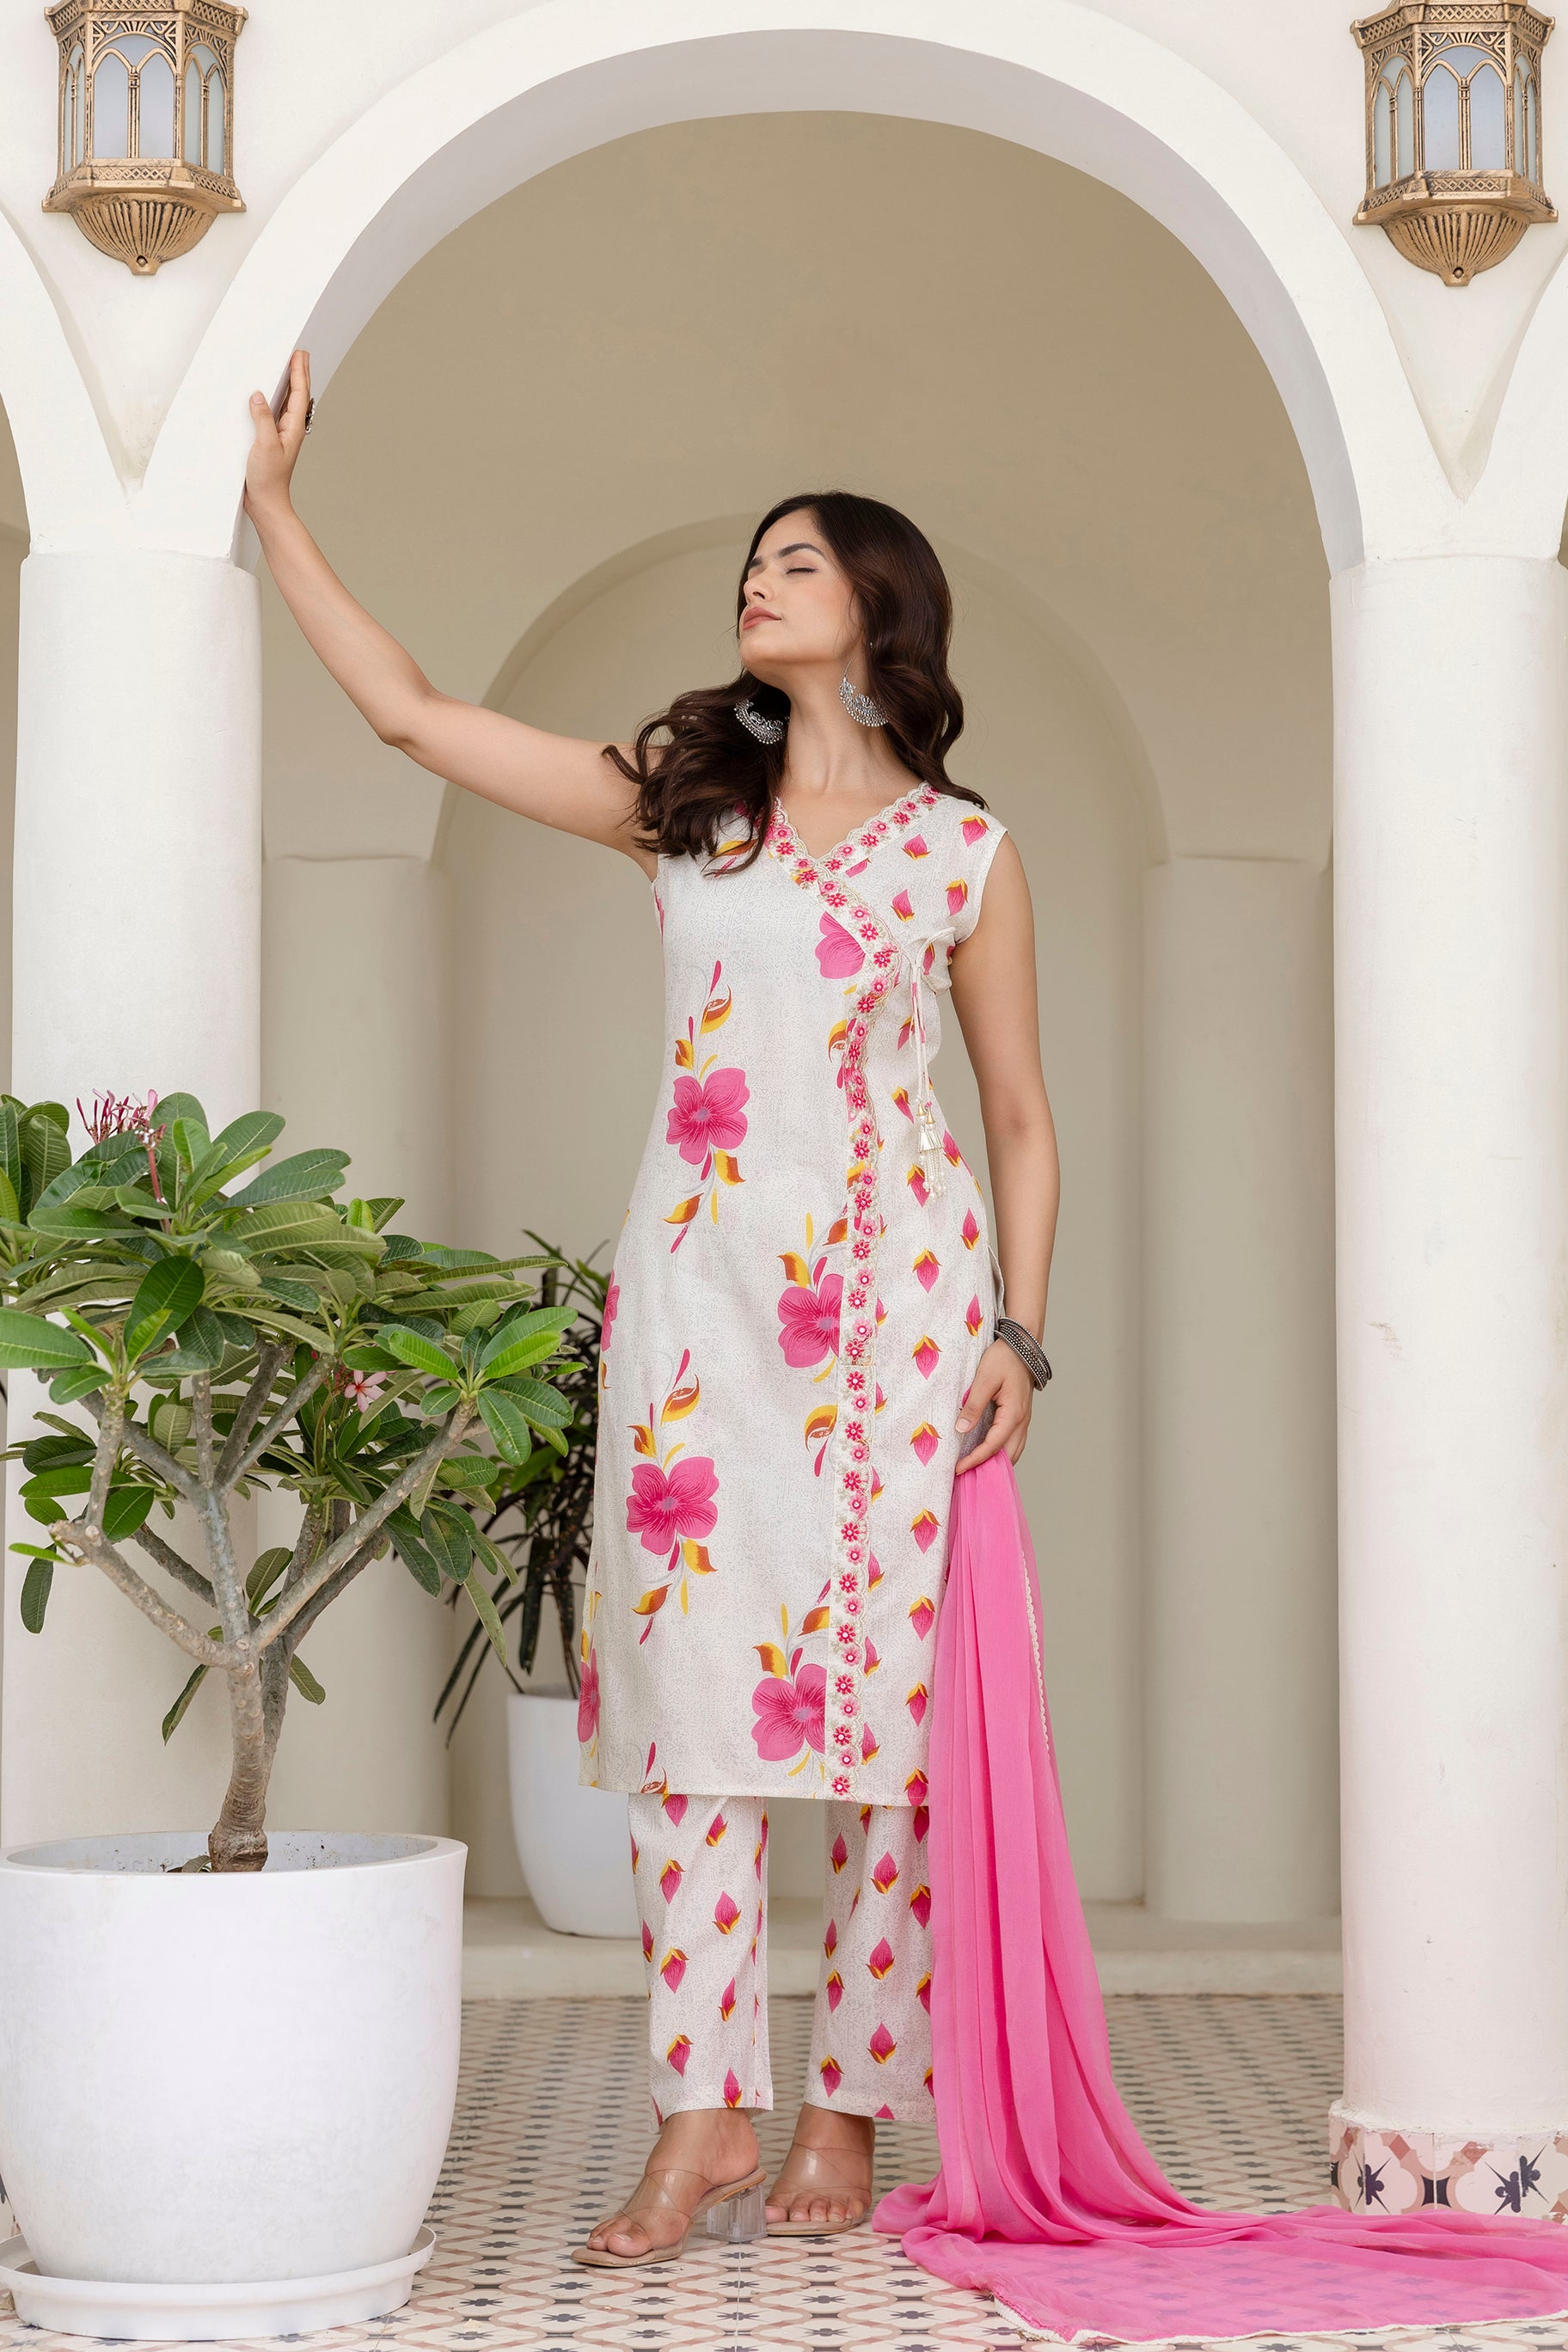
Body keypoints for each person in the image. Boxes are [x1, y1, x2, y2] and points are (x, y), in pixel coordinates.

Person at [244, 348, 1060, 2267]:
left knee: (885, 1733)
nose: (757, 581)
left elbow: (1020, 1118)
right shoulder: (690, 808)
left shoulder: (967, 852)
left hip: (901, 1320)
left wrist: (1019, 1336)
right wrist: (275, 505)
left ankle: (846, 2104)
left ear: (880, 602)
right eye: (752, 563)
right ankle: (706, 2112)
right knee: (690, 1710)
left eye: (797, 560)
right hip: (697, 1311)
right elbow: (414, 717)